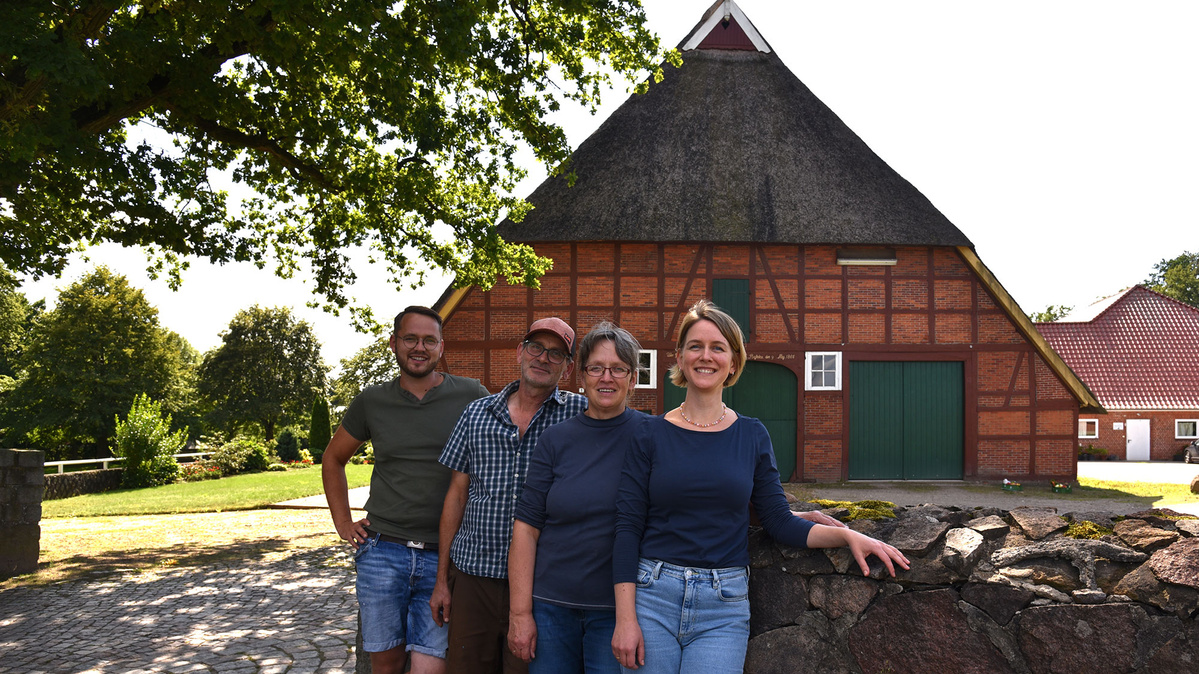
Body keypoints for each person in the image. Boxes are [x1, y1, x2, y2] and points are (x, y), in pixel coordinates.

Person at [610, 300, 910, 673]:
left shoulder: (752, 435)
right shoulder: (648, 433)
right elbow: (627, 527)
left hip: (722, 608)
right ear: (680, 358)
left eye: (718, 347)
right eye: (695, 346)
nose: (706, 356)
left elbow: (778, 521)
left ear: (734, 363)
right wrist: (625, 619)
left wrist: (848, 536)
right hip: (653, 598)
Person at [322, 306, 489, 674]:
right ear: (394, 343)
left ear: (442, 347)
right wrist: (343, 523)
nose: (419, 347)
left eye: (429, 340)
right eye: (410, 338)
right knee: (386, 665)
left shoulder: (470, 394)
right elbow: (333, 458)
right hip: (384, 551)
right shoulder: (372, 400)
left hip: (445, 556)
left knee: (432, 668)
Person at [431, 317, 590, 674]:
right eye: (535, 347)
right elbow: (456, 496)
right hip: (474, 576)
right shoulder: (476, 414)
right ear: (519, 352)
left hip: (542, 585)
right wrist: (442, 580)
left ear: (567, 369)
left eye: (556, 353)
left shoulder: (580, 415)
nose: (543, 358)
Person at [506, 322, 648, 674]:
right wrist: (520, 613)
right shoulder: (555, 440)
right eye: (596, 368)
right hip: (550, 608)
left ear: (633, 379)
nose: (606, 378)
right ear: (581, 376)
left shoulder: (652, 435)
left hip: (618, 612)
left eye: (618, 369)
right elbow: (526, 529)